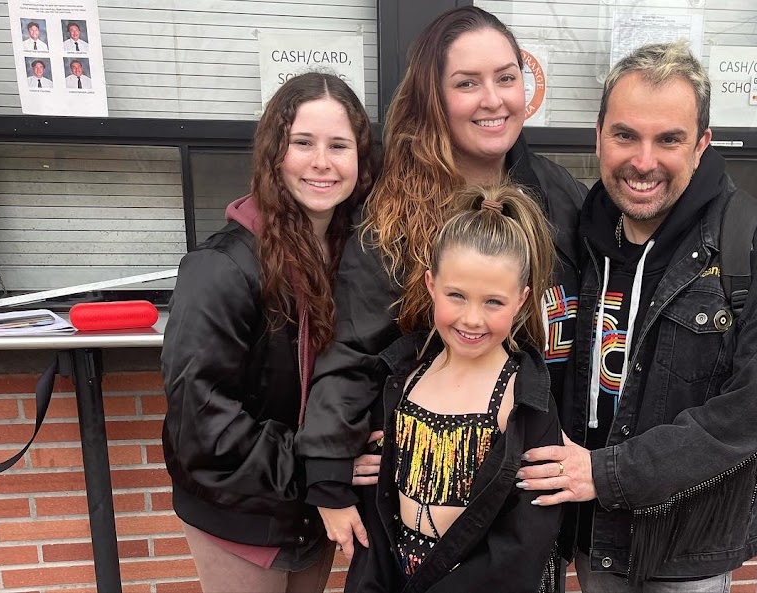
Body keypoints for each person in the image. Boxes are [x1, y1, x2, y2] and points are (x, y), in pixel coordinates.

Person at [299, 6, 585, 587]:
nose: (493, 99)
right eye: (467, 83)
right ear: (434, 96)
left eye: (506, 77)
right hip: (424, 491)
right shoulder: (392, 212)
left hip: (526, 500)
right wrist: (329, 469)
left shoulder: (563, 199)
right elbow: (353, 350)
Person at [517, 41, 757, 591]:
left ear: (702, 145)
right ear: (598, 136)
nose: (643, 161)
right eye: (625, 135)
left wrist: (605, 473)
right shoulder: (581, 238)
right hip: (591, 534)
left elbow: (752, 413)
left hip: (683, 549)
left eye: (669, 140)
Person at [161, 72, 378, 593]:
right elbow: (201, 427)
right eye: (302, 143)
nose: (322, 161)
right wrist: (315, 466)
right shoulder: (220, 268)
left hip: (314, 508)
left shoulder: (357, 259)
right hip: (240, 516)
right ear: (274, 153)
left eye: (339, 145)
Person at [361, 184, 564, 592]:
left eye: (493, 302)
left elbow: (525, 542)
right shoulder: (403, 379)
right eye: (456, 295)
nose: (472, 319)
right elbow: (380, 508)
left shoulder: (524, 400)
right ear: (431, 284)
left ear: (522, 301)